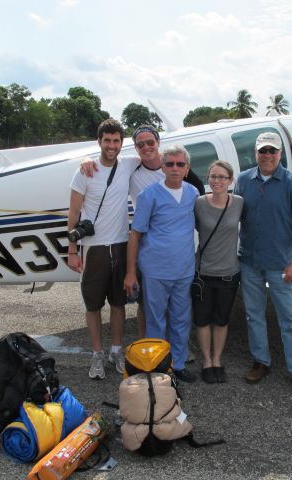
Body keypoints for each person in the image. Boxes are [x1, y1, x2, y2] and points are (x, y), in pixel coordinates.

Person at [80, 125, 204, 339]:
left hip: (177, 257)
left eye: (150, 143)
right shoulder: (132, 167)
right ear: (135, 148)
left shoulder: (181, 172)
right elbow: (106, 160)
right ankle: (148, 347)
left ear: (158, 143)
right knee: (146, 305)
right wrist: (85, 159)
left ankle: (176, 349)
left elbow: (199, 205)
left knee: (177, 308)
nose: (146, 147)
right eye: (140, 144)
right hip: (149, 251)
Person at [233, 131, 292, 399]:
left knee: (290, 319)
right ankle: (261, 362)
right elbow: (233, 218)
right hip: (250, 262)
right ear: (255, 154)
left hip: (281, 265)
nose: (267, 156)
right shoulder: (243, 181)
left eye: (272, 151)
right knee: (253, 315)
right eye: (262, 151)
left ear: (280, 154)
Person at [67, 119, 139, 380]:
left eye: (116, 141)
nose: (112, 145)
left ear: (122, 143)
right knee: (93, 305)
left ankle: (116, 351)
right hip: (94, 247)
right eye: (107, 140)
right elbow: (74, 212)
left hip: (120, 244)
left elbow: (156, 155)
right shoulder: (85, 171)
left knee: (118, 304)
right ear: (99, 142)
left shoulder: (129, 164)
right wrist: (72, 250)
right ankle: (97, 354)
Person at [124, 145, 199, 383]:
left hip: (184, 269)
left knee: (181, 317)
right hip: (155, 269)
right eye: (170, 164)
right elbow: (135, 234)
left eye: (180, 164)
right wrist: (130, 273)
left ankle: (177, 364)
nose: (175, 168)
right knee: (155, 319)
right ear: (163, 167)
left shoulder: (193, 194)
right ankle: (156, 366)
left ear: (187, 169)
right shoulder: (149, 195)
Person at [193, 161, 243, 384]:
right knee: (202, 320)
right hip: (203, 273)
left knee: (221, 321)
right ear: (208, 179)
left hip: (228, 274)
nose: (217, 181)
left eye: (222, 177)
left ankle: (217, 359)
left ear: (230, 180)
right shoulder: (199, 204)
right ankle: (206, 361)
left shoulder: (240, 203)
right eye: (213, 176)